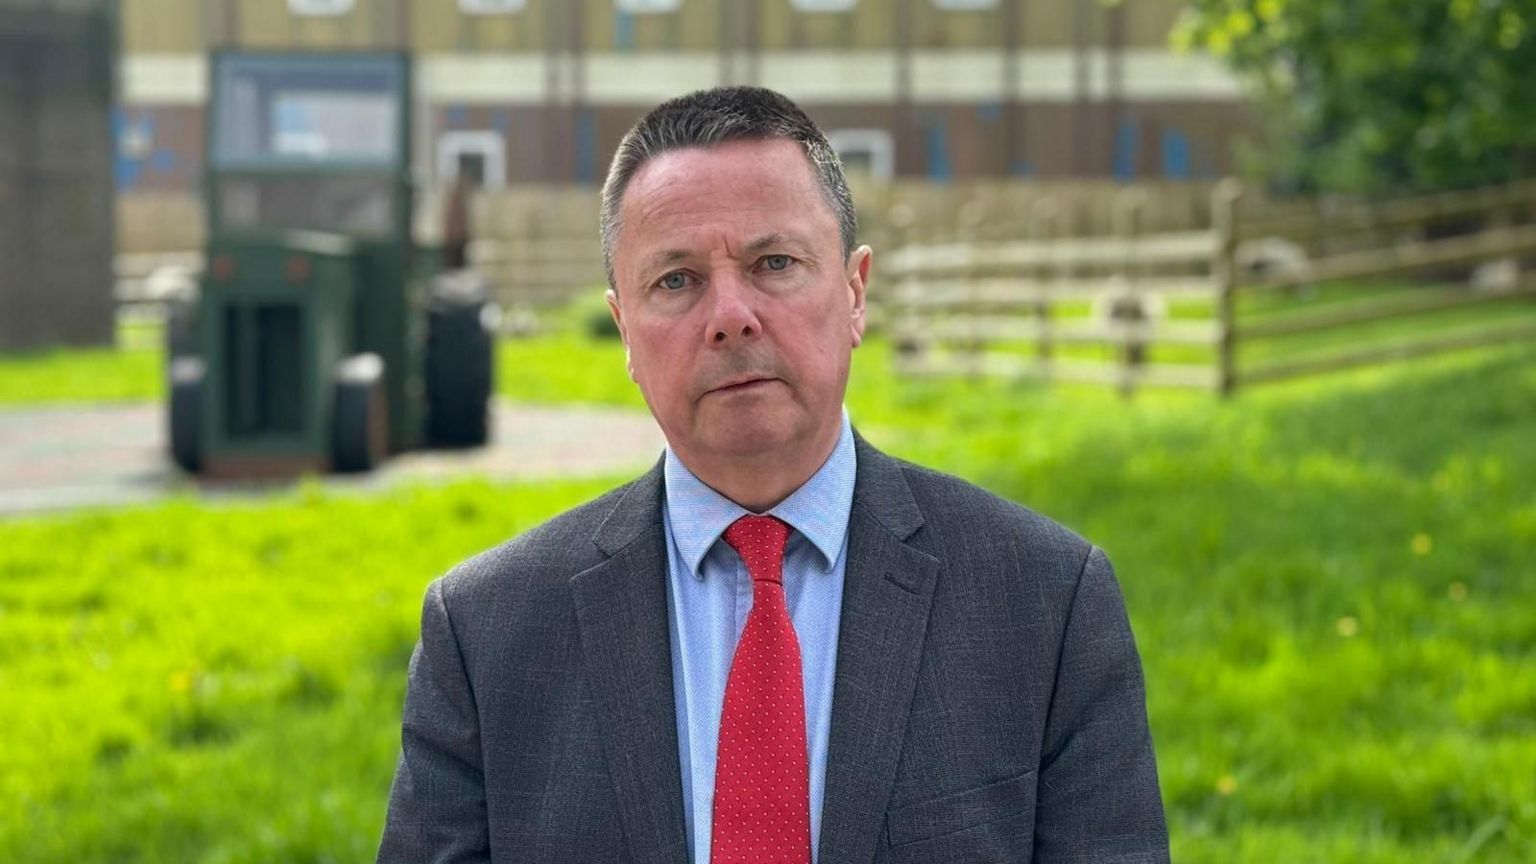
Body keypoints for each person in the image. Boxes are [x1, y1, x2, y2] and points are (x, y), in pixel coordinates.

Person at [377, 87, 1169, 864]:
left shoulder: (1046, 603)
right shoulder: (486, 634)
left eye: (775, 262)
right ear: (624, 329)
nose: (730, 314)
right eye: (676, 281)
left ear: (855, 292)